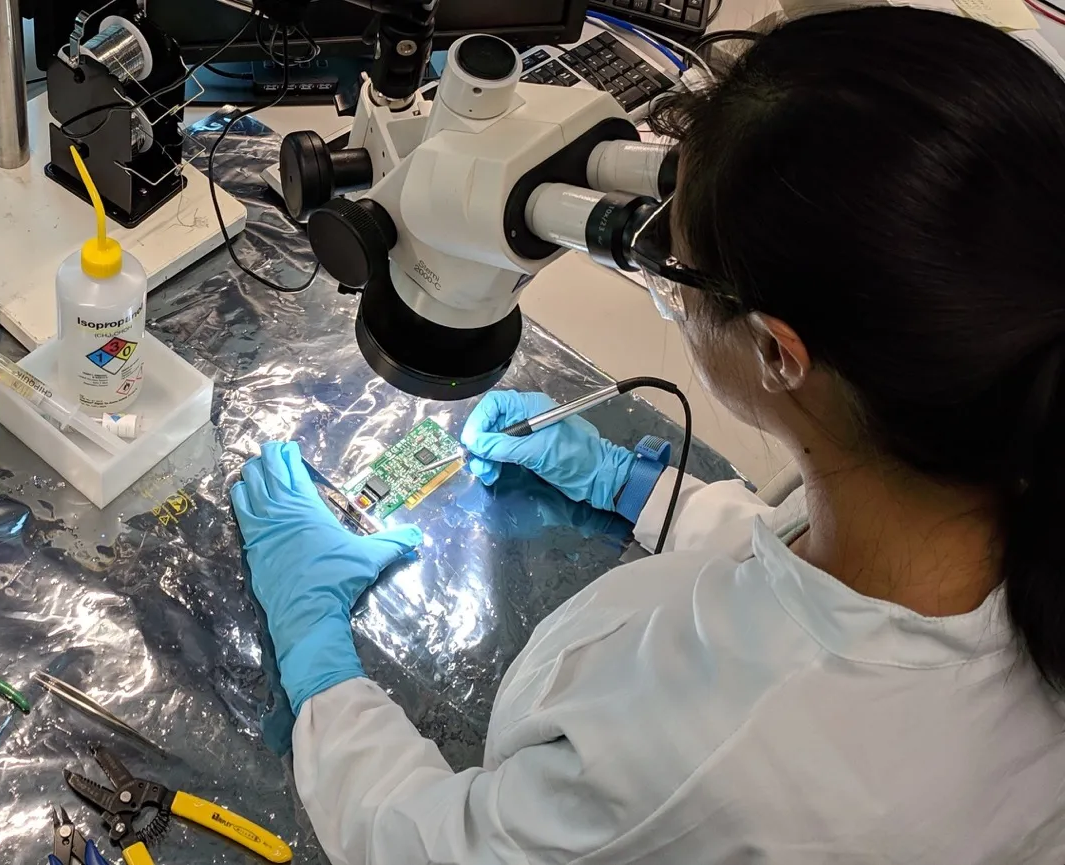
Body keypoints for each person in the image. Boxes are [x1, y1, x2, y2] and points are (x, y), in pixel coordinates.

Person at [229, 7, 1065, 863]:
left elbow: (427, 848)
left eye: (666, 250)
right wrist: (643, 490)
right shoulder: (997, 454)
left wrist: (320, 663)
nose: (658, 265)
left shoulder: (709, 754)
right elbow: (862, 599)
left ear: (779, 352)